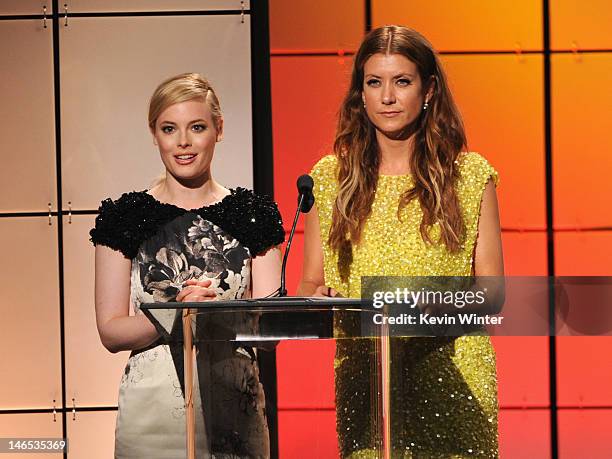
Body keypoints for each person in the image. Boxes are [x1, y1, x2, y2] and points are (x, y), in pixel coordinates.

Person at [298, 26, 504, 458]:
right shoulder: (329, 179)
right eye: (374, 83)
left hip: (453, 378)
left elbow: (492, 293)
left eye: (402, 81)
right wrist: (322, 298)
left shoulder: (468, 176)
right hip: (366, 379)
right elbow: (310, 285)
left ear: (428, 89)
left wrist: (434, 306)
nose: (387, 97)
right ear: (361, 93)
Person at [90, 73, 284, 458]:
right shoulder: (125, 217)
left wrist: (219, 314)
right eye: (169, 129)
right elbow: (111, 331)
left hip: (234, 411)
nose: (182, 142)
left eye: (197, 127)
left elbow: (271, 331)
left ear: (219, 129)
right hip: (152, 416)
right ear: (154, 134)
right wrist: (177, 314)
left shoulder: (253, 215)